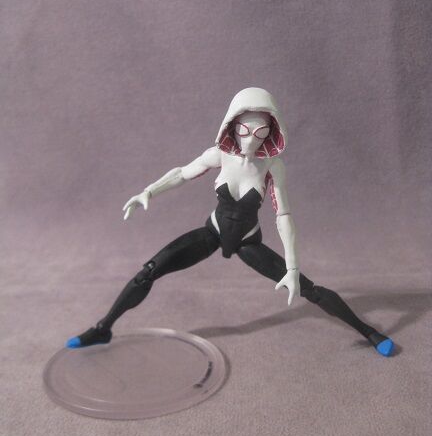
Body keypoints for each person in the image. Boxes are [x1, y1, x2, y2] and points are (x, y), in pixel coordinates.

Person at [66, 87, 394, 356]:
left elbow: (283, 215)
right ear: (232, 126)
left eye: (261, 133)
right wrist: (148, 191)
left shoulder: (272, 167)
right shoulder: (220, 155)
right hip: (212, 232)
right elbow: (182, 173)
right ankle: (103, 328)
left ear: (272, 132)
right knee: (149, 271)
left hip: (248, 242)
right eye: (244, 131)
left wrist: (292, 267)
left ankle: (369, 331)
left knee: (309, 289)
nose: (251, 140)